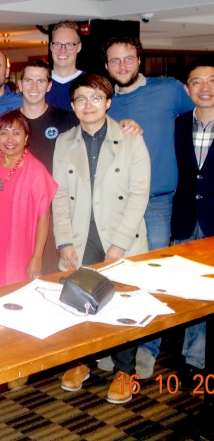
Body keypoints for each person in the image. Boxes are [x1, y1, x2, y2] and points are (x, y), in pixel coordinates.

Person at [99, 36, 194, 379]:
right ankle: (117, 342)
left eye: (128, 58)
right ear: (106, 66)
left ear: (139, 60)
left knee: (152, 278)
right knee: (117, 275)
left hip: (158, 202)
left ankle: (148, 347)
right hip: (118, 205)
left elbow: (201, 115)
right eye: (115, 60)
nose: (122, 66)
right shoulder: (104, 101)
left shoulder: (169, 90)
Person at [54, 74, 150, 405]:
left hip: (120, 233)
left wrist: (120, 242)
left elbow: (139, 194)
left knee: (123, 303)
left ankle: (125, 371)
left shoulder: (130, 138)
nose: (89, 105)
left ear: (108, 102)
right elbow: (58, 196)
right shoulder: (64, 141)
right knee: (77, 300)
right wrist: (64, 241)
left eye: (96, 98)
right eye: (81, 99)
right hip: (81, 235)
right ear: (73, 105)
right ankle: (81, 361)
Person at [0, 109, 56, 291]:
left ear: (26, 138)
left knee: (14, 296)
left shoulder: (36, 171)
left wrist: (37, 256)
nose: (10, 139)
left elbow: (44, 218)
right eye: (4, 133)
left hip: (19, 249)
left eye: (16, 133)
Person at [172, 56, 214, 386]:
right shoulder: (179, 123)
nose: (205, 87)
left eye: (212, 80)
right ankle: (194, 359)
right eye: (197, 82)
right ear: (187, 89)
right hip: (187, 218)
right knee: (192, 293)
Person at [46, 20, 85, 111]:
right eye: (57, 44)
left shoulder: (91, 83)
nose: (63, 50)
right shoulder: (39, 84)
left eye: (69, 44)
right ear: (51, 46)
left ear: (79, 47)